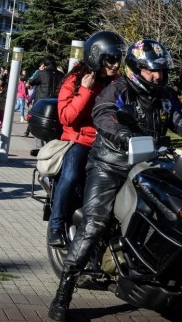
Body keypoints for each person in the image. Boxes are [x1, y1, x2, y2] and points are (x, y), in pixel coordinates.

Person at [48, 39, 182, 322]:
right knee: (94, 224)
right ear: (136, 68)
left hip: (149, 163)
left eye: (162, 71)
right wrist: (123, 135)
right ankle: (64, 292)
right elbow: (104, 115)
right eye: (153, 71)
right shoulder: (118, 89)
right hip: (110, 164)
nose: (159, 76)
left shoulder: (164, 94)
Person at [47, 31, 125, 248]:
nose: (116, 64)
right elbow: (66, 117)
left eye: (118, 59)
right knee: (71, 176)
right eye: (110, 59)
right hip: (80, 141)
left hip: (108, 143)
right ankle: (56, 225)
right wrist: (85, 90)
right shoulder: (75, 79)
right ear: (96, 56)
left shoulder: (118, 83)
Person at [26, 57, 64, 142]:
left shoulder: (41, 73)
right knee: (52, 129)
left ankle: (39, 150)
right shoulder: (61, 75)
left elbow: (31, 82)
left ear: (45, 65)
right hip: (55, 104)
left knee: (39, 129)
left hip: (41, 103)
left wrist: (40, 70)